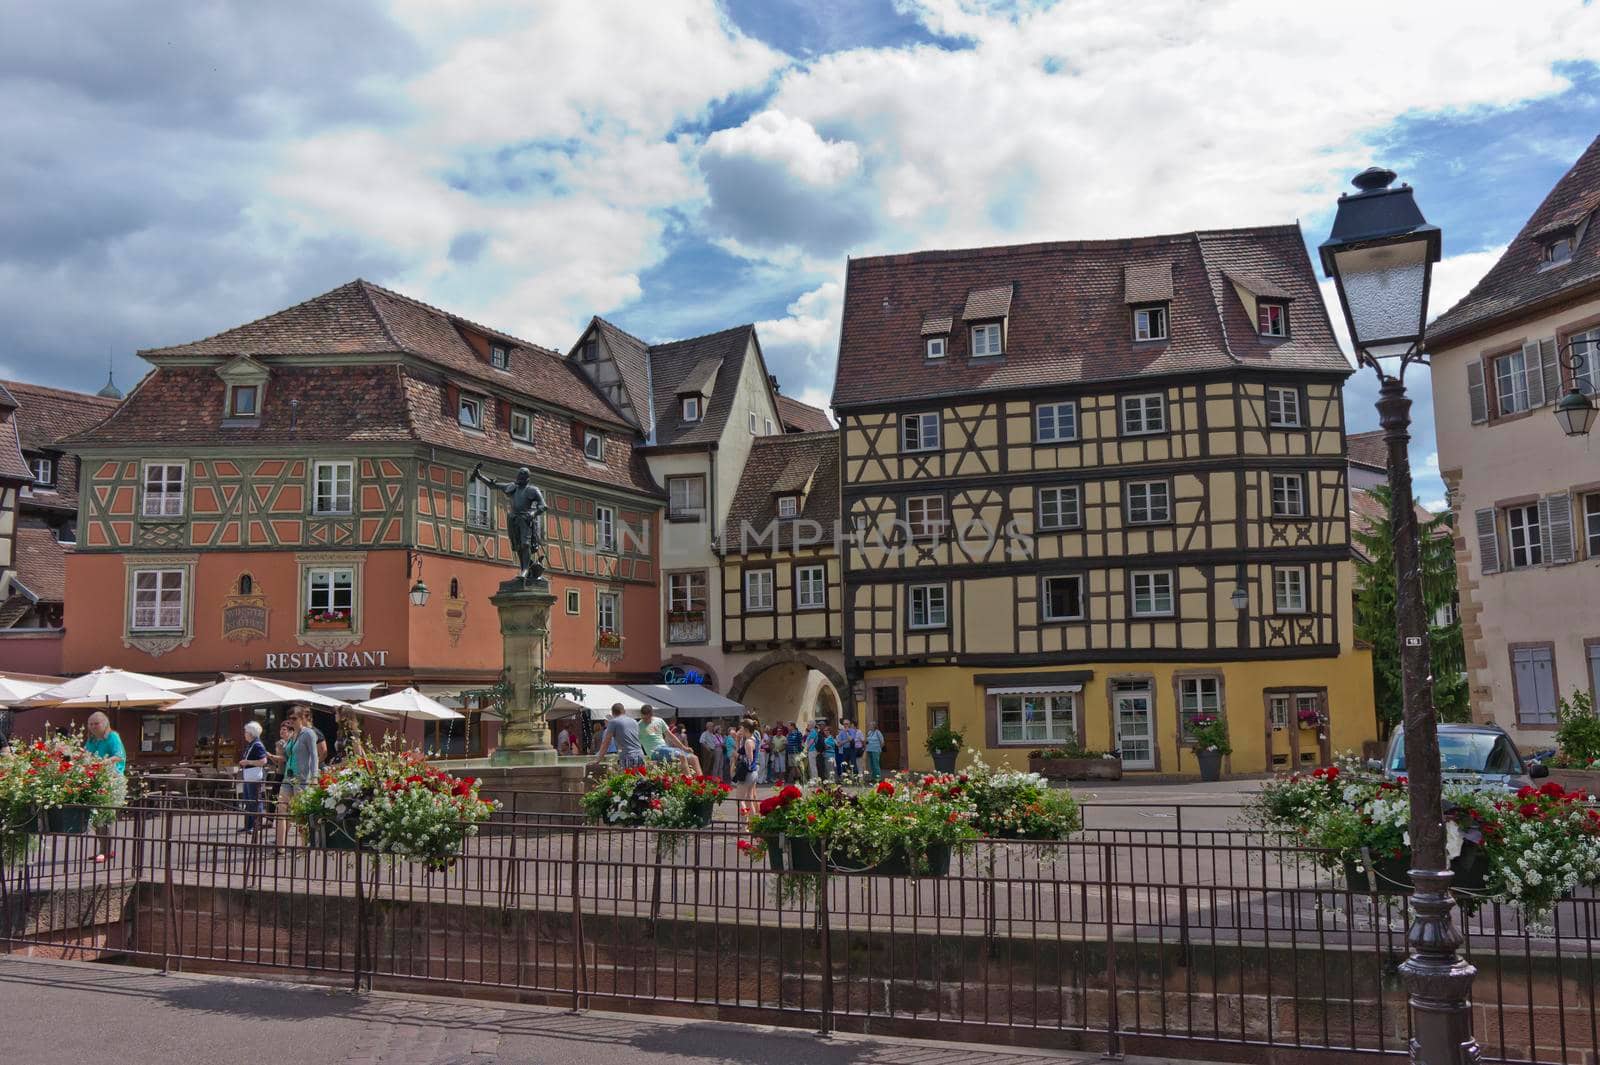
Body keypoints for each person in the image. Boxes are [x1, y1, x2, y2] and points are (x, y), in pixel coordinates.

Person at [275, 707, 320, 853]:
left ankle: (304, 845)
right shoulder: (293, 735)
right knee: (281, 810)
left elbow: (314, 756)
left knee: (301, 813)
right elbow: (288, 757)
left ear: (302, 718)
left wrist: (314, 777)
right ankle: (280, 846)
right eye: (290, 720)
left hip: (302, 779)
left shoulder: (309, 734)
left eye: (294, 719)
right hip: (288, 778)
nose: (291, 722)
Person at [84, 711, 125, 862]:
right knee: (95, 818)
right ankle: (104, 849)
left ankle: (105, 851)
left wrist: (101, 763)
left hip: (112, 779)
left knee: (105, 816)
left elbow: (118, 755)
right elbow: (86, 755)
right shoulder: (92, 739)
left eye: (96, 723)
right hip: (97, 779)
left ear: (105, 723)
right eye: (91, 724)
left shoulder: (113, 737)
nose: (93, 727)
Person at [237, 721, 269, 834]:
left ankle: (256, 826)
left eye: (246, 731)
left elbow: (263, 761)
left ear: (251, 733)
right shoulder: (251, 744)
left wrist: (247, 761)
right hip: (249, 776)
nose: (244, 733)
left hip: (254, 777)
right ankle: (249, 825)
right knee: (248, 802)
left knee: (255, 802)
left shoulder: (257, 744)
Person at [596, 703, 645, 769]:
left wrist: (598, 760)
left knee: (628, 778)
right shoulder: (634, 721)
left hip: (628, 756)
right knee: (640, 778)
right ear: (624, 711)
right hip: (640, 754)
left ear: (613, 713)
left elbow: (606, 742)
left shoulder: (613, 722)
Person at [731, 722, 758, 816]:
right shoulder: (752, 739)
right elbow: (741, 751)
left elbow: (749, 761)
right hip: (752, 773)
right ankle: (753, 824)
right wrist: (737, 740)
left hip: (747, 773)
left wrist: (737, 756)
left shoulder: (748, 741)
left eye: (741, 728)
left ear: (746, 729)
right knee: (748, 800)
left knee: (739, 800)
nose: (739, 730)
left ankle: (743, 826)